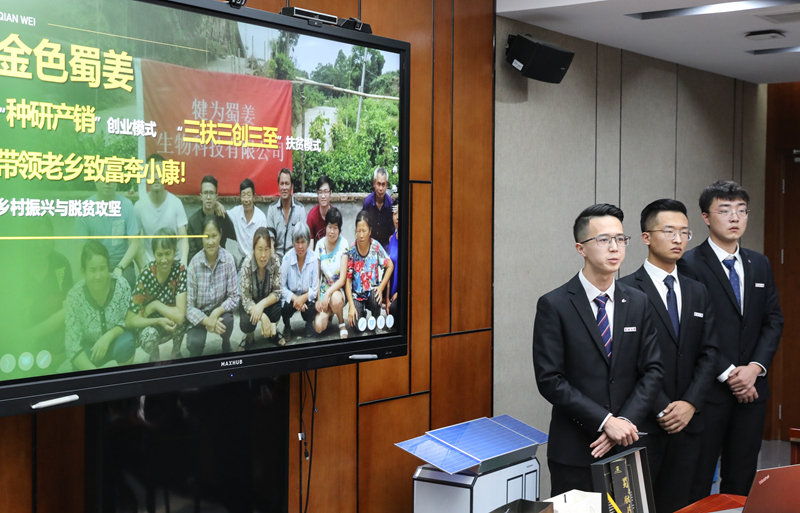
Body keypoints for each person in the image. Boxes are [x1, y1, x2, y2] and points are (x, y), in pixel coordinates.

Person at [531, 204, 663, 496]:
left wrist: (623, 422)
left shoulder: (638, 302)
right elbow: (550, 380)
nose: (614, 247)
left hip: (629, 443)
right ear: (581, 248)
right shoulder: (555, 304)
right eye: (603, 239)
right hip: (577, 448)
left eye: (620, 239)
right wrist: (605, 422)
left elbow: (653, 370)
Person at [678, 181, 783, 500]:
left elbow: (773, 320)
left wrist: (755, 368)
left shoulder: (759, 263)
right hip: (708, 391)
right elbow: (693, 329)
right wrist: (729, 374)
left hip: (753, 391)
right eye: (724, 210)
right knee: (698, 477)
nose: (735, 217)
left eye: (741, 210)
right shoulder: (689, 264)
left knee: (742, 476)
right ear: (706, 217)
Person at [619, 199, 719, 513]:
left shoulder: (697, 291)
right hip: (644, 423)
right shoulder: (624, 290)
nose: (678, 239)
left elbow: (710, 352)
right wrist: (662, 407)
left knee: (683, 504)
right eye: (669, 231)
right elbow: (625, 360)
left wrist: (690, 403)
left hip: (689, 422)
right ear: (646, 237)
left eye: (684, 232)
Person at [65, 241, 136, 370]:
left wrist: (107, 337)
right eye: (92, 270)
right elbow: (72, 345)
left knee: (127, 343)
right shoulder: (74, 296)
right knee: (77, 364)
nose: (98, 276)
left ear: (108, 267)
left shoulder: (121, 285)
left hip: (116, 340)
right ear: (83, 272)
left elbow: (126, 322)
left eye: (102, 268)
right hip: (91, 348)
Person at [126, 228, 188, 362]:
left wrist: (155, 305)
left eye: (168, 253)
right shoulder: (146, 274)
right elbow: (130, 320)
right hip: (151, 324)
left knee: (185, 317)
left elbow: (180, 316)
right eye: (159, 254)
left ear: (174, 251)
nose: (164, 260)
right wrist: (158, 321)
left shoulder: (180, 271)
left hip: (172, 320)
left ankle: (176, 351)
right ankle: (154, 355)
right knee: (148, 338)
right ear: (154, 254)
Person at [186, 216, 240, 357]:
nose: (210, 242)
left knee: (227, 321)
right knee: (193, 343)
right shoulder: (194, 264)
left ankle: (226, 342)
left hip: (220, 311)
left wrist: (216, 313)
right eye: (206, 237)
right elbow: (189, 307)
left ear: (220, 235)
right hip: (200, 314)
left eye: (214, 236)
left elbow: (234, 297)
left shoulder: (228, 259)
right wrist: (207, 321)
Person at [74, 180, 140, 289]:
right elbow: (79, 248)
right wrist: (82, 273)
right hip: (95, 265)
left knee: (127, 281)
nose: (107, 182)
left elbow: (134, 243)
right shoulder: (84, 209)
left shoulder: (127, 205)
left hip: (121, 263)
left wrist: (120, 267)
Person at [134, 154, 189, 267]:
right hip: (151, 265)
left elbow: (183, 238)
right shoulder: (139, 207)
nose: (156, 177)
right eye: (152, 172)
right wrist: (143, 267)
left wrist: (183, 263)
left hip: (174, 263)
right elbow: (136, 242)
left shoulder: (176, 203)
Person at [346, 211, 394, 332]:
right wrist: (351, 305)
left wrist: (381, 287)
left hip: (372, 293)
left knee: (375, 296)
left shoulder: (375, 246)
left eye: (364, 231)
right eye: (359, 231)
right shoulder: (351, 251)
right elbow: (348, 281)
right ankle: (361, 314)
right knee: (356, 326)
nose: (361, 235)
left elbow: (390, 265)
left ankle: (376, 319)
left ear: (370, 231)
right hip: (357, 296)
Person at [239, 227, 285, 349]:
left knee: (277, 307)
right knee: (246, 321)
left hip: (267, 301)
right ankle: (249, 337)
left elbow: (277, 292)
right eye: (259, 249)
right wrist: (263, 316)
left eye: (266, 249)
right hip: (252, 303)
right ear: (254, 249)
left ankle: (273, 332)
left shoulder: (275, 261)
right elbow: (245, 299)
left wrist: (262, 305)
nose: (263, 255)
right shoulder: (247, 264)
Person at [313, 207, 349, 339]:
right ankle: (329, 316)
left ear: (339, 229)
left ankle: (341, 323)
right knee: (318, 327)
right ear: (325, 227)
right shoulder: (319, 245)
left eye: (335, 228)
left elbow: (343, 279)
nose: (332, 231)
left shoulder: (343, 244)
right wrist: (318, 299)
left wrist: (328, 293)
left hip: (338, 291)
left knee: (335, 299)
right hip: (324, 291)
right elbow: (317, 276)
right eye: (329, 227)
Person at [280, 222, 319, 342]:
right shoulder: (286, 258)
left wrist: (302, 298)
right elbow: (281, 287)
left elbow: (315, 288)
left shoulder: (313, 259)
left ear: (308, 242)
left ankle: (309, 323)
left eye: (303, 242)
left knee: (311, 307)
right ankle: (287, 325)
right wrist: (296, 299)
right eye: (297, 242)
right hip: (292, 297)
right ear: (293, 242)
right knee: (284, 307)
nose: (300, 246)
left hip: (306, 297)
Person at [187, 175, 237, 264]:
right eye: (206, 193)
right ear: (201, 196)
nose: (208, 197)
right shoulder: (193, 221)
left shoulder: (221, 216)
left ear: (216, 197)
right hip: (200, 265)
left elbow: (235, 235)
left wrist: (224, 214)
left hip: (221, 264)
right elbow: (191, 253)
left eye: (211, 193)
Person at [266, 168, 306, 258]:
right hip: (276, 257)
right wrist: (275, 261)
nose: (284, 188)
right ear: (278, 186)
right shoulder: (272, 209)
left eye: (287, 184)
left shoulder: (300, 209)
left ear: (292, 186)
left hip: (295, 257)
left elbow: (302, 239)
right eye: (282, 184)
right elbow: (270, 239)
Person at [228, 178, 267, 263]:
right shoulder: (236, 212)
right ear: (240, 197)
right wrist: (217, 205)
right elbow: (223, 213)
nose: (246, 200)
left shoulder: (261, 218)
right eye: (243, 195)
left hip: (258, 260)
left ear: (254, 197)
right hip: (243, 260)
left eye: (248, 195)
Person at [361, 167, 395, 248]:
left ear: (387, 185)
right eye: (378, 184)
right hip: (370, 244)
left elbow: (392, 230)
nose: (380, 188)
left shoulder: (390, 204)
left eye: (383, 184)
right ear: (374, 183)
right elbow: (363, 225)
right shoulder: (368, 203)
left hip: (386, 246)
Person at [307, 175, 333, 247]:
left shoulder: (335, 215)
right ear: (317, 194)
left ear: (330, 193)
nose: (323, 196)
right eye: (320, 192)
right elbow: (310, 246)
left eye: (326, 192)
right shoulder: (312, 216)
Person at [386, 201, 400, 319]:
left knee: (395, 311)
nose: (397, 217)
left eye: (400, 213)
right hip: (392, 291)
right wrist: (387, 299)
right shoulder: (392, 239)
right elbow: (389, 270)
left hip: (404, 291)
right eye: (395, 213)